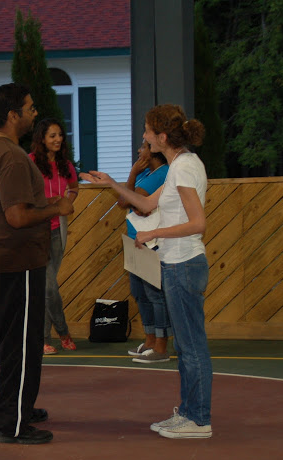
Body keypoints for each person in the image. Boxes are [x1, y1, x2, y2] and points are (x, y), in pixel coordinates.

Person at [80, 103, 212, 439]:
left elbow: (198, 223)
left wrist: (154, 233)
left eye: (148, 131)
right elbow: (147, 204)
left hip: (183, 263)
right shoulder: (180, 164)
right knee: (187, 346)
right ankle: (189, 413)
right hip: (177, 264)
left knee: (191, 347)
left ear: (162, 137)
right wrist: (112, 183)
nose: (144, 136)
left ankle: (198, 420)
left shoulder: (183, 168)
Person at [0, 83, 74, 444]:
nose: (34, 113)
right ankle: (11, 423)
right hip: (16, 264)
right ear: (13, 115)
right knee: (22, 345)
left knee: (10, 343)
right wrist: (56, 207)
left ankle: (20, 407)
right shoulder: (12, 158)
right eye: (29, 108)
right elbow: (16, 216)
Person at [28, 118, 79, 355]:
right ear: (42, 138)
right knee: (47, 286)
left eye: (60, 135)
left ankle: (44, 338)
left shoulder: (65, 164)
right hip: (35, 230)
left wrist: (66, 202)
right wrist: (50, 202)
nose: (58, 139)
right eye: (52, 135)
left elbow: (74, 188)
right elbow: (25, 195)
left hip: (58, 230)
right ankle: (62, 332)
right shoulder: (30, 162)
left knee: (47, 286)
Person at [118, 141, 171, 364]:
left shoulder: (163, 173)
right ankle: (149, 340)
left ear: (154, 151)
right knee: (139, 293)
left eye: (143, 147)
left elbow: (136, 200)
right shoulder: (143, 174)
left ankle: (161, 345)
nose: (139, 151)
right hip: (135, 239)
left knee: (154, 294)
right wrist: (133, 174)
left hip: (152, 241)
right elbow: (123, 201)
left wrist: (132, 178)